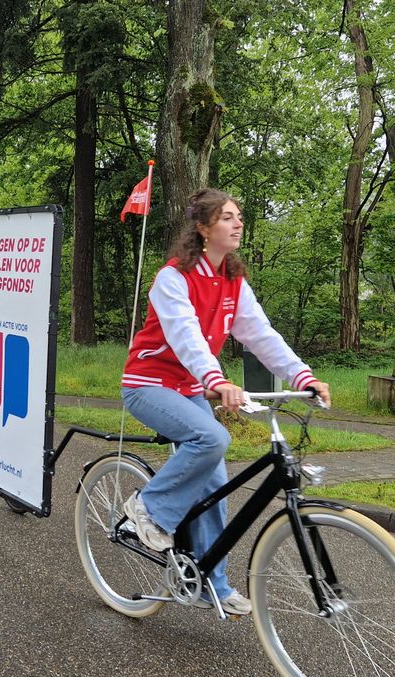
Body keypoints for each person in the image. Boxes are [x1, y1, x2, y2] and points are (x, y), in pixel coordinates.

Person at [119, 188, 331, 616]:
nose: (237, 223)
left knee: (215, 484)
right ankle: (148, 509)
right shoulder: (173, 278)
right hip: (149, 383)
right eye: (227, 217)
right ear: (202, 228)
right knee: (211, 437)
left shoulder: (234, 282)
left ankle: (209, 584)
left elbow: (261, 336)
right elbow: (186, 338)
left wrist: (302, 375)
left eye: (239, 216)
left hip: (191, 389)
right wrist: (216, 379)